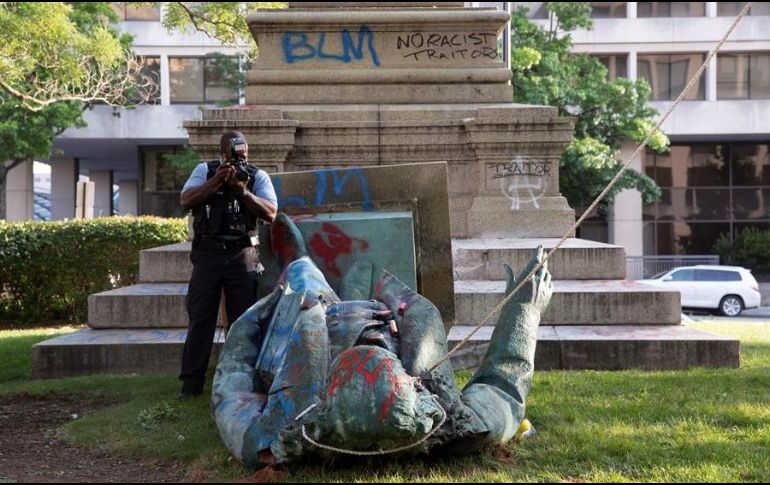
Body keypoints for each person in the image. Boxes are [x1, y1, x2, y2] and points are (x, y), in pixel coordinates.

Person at [211, 214, 553, 468]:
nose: (372, 343)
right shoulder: (458, 422)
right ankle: (356, 290)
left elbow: (232, 383)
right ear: (411, 384)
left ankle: (297, 259)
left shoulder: (272, 436)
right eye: (378, 349)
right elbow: (502, 388)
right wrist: (524, 311)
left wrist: (255, 316)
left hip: (318, 319)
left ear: (327, 391)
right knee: (364, 273)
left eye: (371, 347)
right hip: (378, 316)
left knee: (303, 276)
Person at [178, 131, 278, 400]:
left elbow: (271, 213)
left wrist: (242, 191)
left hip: (242, 254)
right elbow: (185, 200)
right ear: (222, 154)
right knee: (200, 318)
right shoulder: (205, 171)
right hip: (207, 254)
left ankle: (243, 382)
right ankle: (191, 385)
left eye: (243, 156)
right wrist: (216, 181)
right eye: (233, 157)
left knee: (243, 322)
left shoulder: (257, 176)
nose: (239, 162)